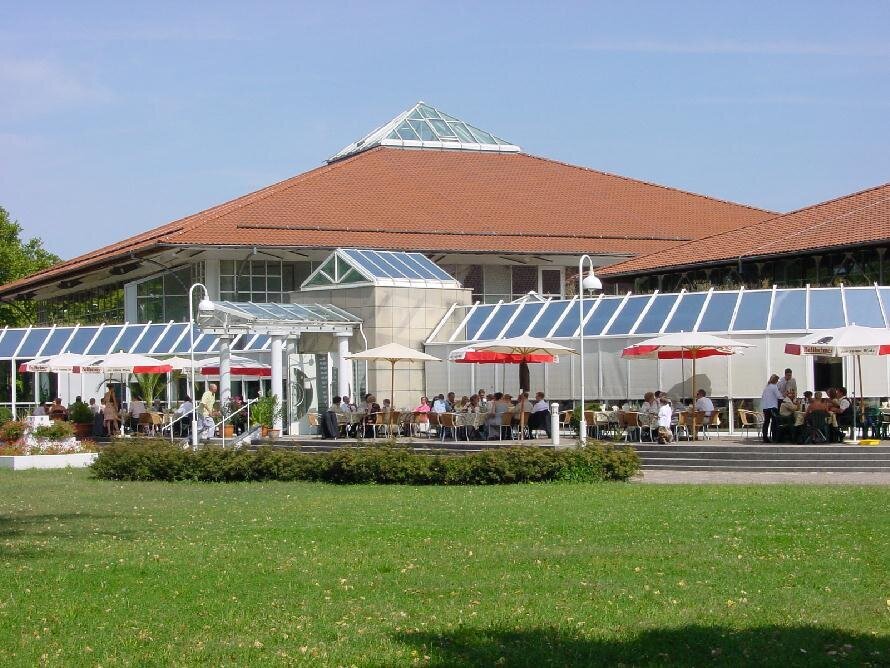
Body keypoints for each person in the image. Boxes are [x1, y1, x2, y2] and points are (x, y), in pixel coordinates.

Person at [760, 374, 783, 443]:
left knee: (766, 422)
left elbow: (763, 397)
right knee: (774, 423)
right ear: (775, 380)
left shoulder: (766, 387)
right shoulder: (774, 387)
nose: (777, 382)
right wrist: (784, 396)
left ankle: (765, 437)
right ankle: (774, 437)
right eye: (777, 380)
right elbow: (779, 396)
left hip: (765, 407)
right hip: (772, 407)